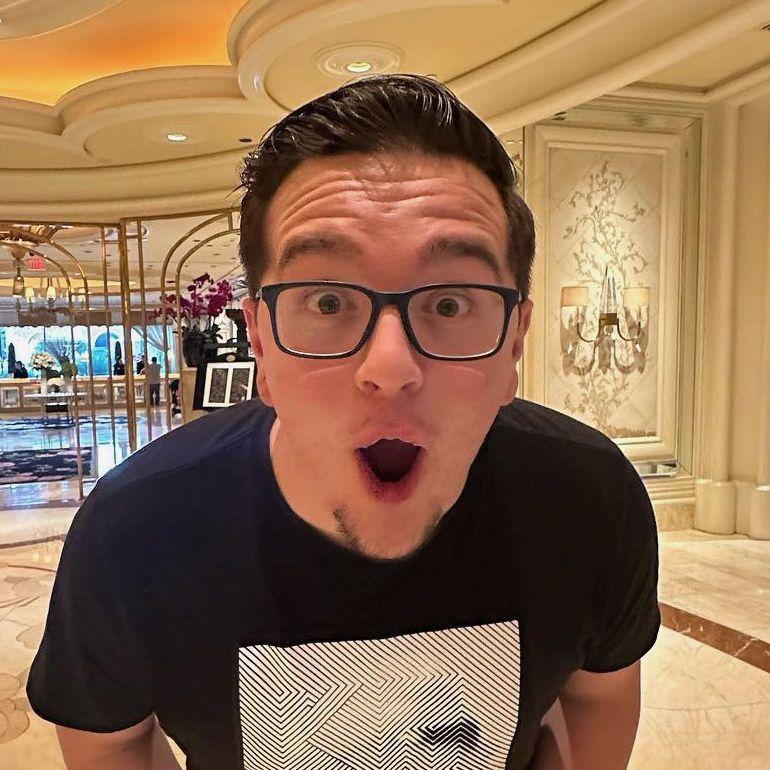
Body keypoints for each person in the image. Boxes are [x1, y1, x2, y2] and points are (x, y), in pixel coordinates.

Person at [27, 75, 659, 770]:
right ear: (259, 340)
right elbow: (110, 741)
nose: (389, 367)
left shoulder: (588, 497)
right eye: (327, 302)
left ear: (514, 342)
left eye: (450, 304)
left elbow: (598, 696)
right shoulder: (135, 529)